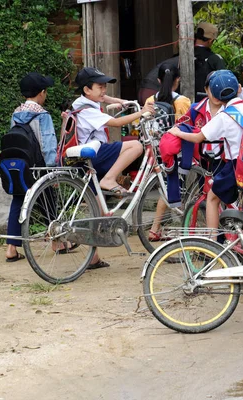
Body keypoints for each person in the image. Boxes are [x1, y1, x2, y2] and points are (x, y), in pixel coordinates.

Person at [168, 70, 243, 239]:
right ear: (239, 89)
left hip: (239, 166)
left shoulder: (224, 116)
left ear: (214, 96)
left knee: (212, 198)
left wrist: (177, 133)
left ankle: (212, 242)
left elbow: (198, 137)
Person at [72, 67, 154, 268]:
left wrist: (118, 101)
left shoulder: (80, 102)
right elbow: (116, 123)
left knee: (98, 211)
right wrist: (141, 112)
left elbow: (104, 99)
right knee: (136, 145)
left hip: (85, 158)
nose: (103, 91)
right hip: (96, 153)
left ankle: (92, 258)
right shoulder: (89, 111)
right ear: (87, 89)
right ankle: (110, 179)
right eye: (100, 87)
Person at [5, 72, 57, 262]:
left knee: (18, 201)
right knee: (49, 200)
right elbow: (48, 144)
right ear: (42, 92)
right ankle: (57, 242)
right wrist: (53, 169)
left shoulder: (16, 113)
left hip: (20, 166)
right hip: (39, 166)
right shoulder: (42, 115)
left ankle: (11, 248)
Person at [144, 63, 191, 241]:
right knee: (174, 188)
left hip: (157, 151)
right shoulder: (183, 101)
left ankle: (157, 228)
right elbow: (185, 127)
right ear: (177, 80)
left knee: (167, 186)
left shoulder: (150, 101)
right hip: (175, 151)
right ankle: (162, 228)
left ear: (158, 80)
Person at [194, 22, 226, 101]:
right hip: (207, 103)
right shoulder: (215, 59)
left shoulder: (180, 57)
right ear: (210, 40)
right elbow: (223, 82)